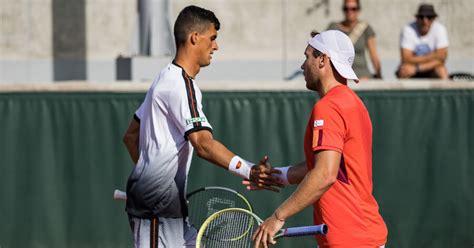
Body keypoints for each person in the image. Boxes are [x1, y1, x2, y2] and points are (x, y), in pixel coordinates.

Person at [122, 5, 281, 247]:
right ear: (195, 38)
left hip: (166, 209)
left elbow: (130, 137)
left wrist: (152, 180)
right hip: (157, 211)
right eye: (213, 38)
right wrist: (249, 170)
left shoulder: (163, 80)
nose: (216, 47)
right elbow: (203, 144)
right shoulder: (180, 85)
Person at [246, 30, 387, 248]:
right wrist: (279, 175)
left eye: (307, 56)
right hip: (364, 235)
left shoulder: (329, 107)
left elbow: (325, 174)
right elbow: (335, 166)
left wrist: (278, 217)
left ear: (322, 60)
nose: (303, 65)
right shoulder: (354, 103)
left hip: (349, 239)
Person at [324, 0, 382, 79]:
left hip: (362, 76)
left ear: (358, 10)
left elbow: (373, 55)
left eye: (353, 9)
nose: (349, 11)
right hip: (340, 75)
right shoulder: (333, 27)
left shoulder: (365, 28)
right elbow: (325, 52)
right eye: (346, 9)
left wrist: (379, 76)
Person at [396, 4, 449, 79]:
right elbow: (406, 58)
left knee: (442, 71)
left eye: (429, 17)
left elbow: (442, 59)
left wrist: (417, 68)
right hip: (413, 67)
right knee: (404, 71)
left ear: (434, 19)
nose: (425, 21)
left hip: (429, 67)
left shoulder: (440, 29)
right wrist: (434, 55)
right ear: (417, 18)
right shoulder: (408, 29)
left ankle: (445, 90)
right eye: (421, 17)